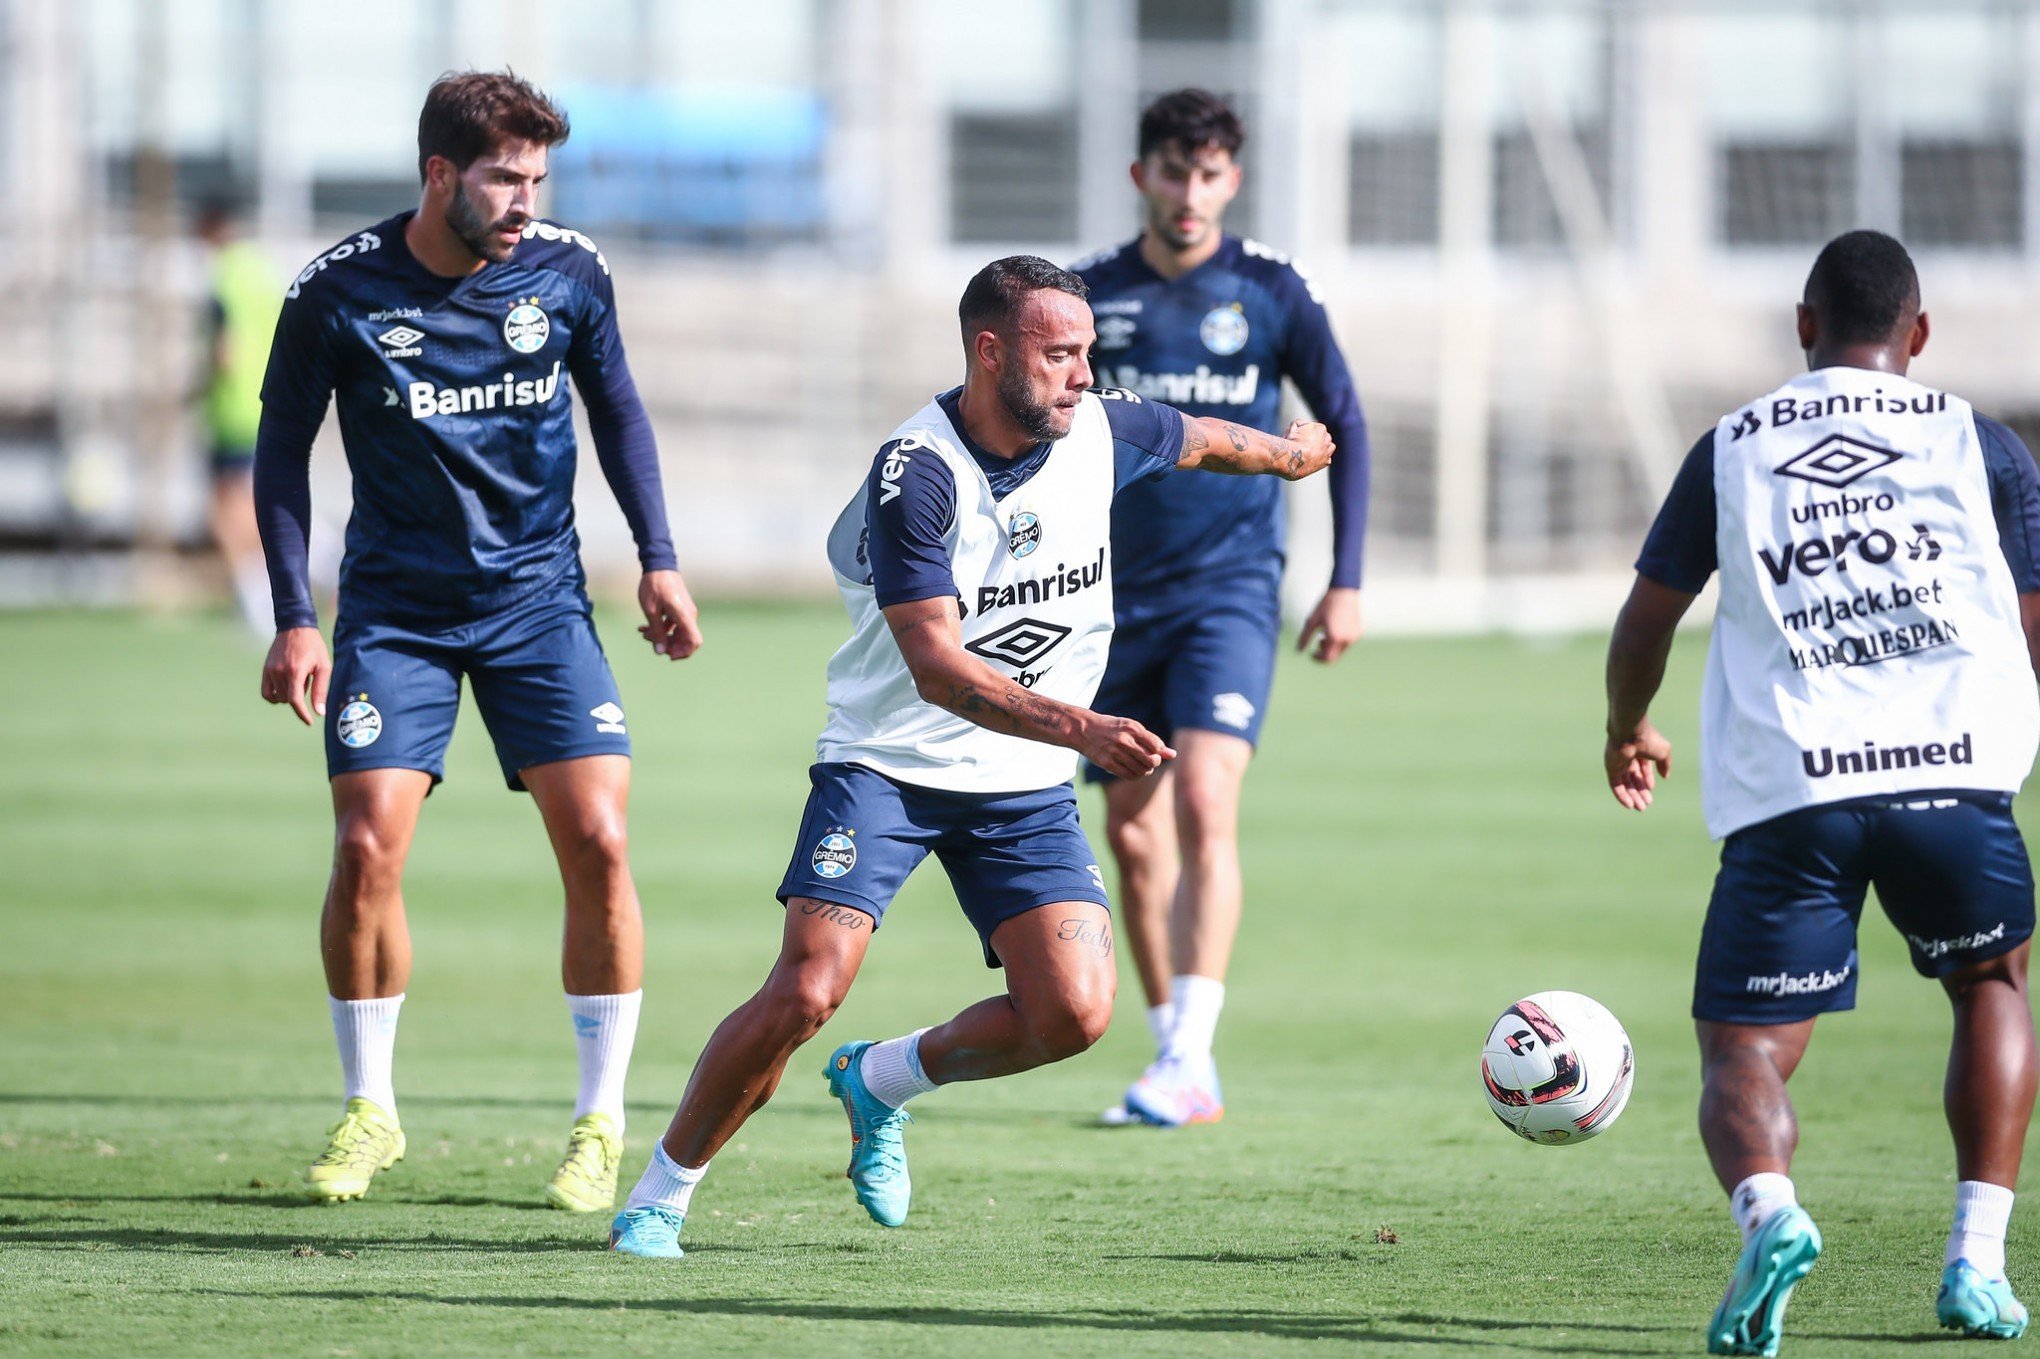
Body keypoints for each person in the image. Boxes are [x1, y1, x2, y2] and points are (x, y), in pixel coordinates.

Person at [605, 255, 1332, 1258]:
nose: (1083, 373)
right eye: (1060, 353)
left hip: (1021, 783)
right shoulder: (918, 472)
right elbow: (938, 670)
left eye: (1087, 352)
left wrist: (1293, 456)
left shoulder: (1102, 430)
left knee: (1074, 1014)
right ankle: (661, 1194)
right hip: (889, 764)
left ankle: (883, 1080)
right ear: (991, 353)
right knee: (808, 988)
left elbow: (1207, 441)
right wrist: (1086, 729)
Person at [254, 71, 702, 1213]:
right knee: (367, 846)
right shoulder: (338, 292)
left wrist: (658, 555)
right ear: (440, 173)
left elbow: (621, 411)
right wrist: (297, 619)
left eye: (538, 179)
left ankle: (599, 1125)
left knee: (600, 838)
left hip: (539, 605)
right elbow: (280, 457)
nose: (525, 201)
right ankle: (371, 1109)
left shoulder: (569, 270)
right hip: (396, 612)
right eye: (505, 178)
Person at [1604, 229, 2040, 1355]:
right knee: (1990, 985)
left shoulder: (1736, 445)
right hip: (1956, 775)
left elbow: (1648, 617)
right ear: (1920, 333)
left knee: (1742, 1047)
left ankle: (1773, 1211)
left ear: (1802, 328)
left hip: (1796, 785)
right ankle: (1977, 1269)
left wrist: (1627, 726)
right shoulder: (1979, 443)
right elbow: (2031, 623)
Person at [1071, 89, 1371, 1127]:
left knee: (1204, 797)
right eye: (1171, 171)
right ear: (1140, 177)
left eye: (1207, 176)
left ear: (1230, 182)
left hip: (1230, 589)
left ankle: (1192, 1054)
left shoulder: (1273, 291)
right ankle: (1173, 1058)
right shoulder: (1092, 296)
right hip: (1108, 601)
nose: (1188, 193)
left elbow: (1346, 420)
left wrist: (1347, 578)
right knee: (1134, 834)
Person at [195, 201, 284, 635]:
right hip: (266, 402)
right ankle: (318, 564)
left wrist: (197, 388)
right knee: (259, 500)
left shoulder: (223, 276)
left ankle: (256, 601)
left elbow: (223, 352)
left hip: (231, 408)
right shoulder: (261, 271)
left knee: (227, 510)